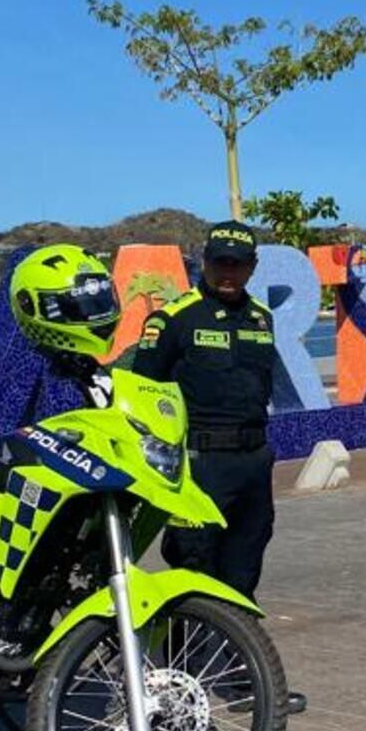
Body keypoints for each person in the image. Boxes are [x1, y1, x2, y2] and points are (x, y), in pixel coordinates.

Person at [130, 221, 279, 596]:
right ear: (204, 261)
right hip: (200, 465)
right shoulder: (173, 320)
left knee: (244, 572)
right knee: (193, 571)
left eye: (237, 264)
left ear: (253, 266)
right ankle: (184, 656)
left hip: (254, 463)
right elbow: (142, 393)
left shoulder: (262, 317)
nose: (228, 272)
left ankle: (235, 653)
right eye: (220, 263)